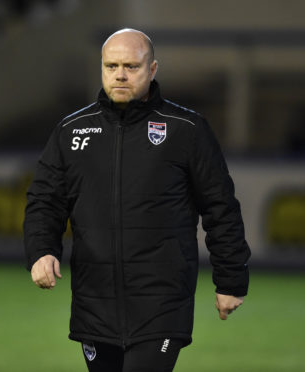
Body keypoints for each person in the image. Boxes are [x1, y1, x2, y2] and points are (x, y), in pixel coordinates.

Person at [24, 28, 251, 372]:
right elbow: (45, 200)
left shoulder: (185, 129)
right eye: (111, 65)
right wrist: (41, 250)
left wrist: (231, 280)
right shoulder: (72, 131)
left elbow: (221, 208)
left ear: (153, 69)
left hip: (161, 301)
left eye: (131, 66)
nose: (119, 74)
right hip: (94, 301)